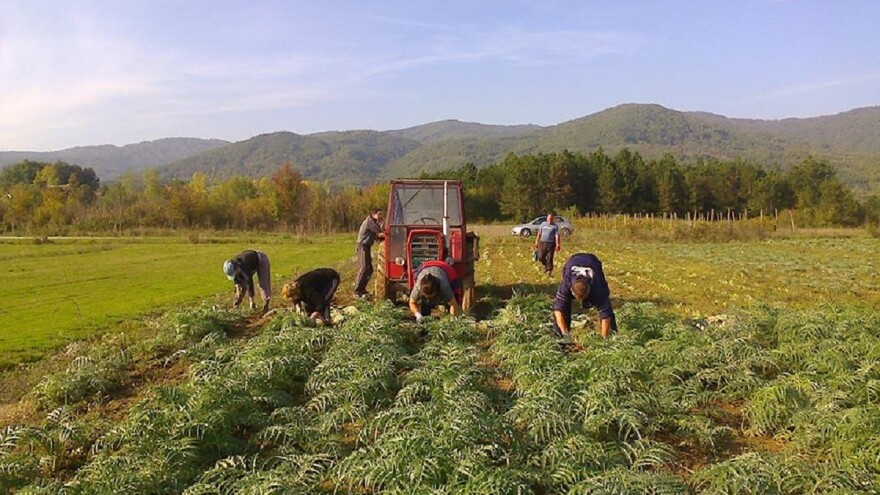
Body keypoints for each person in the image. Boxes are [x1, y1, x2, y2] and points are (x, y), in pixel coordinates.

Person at [552, 252, 618, 344]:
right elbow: (558, 311)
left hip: (593, 261)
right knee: (564, 307)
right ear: (571, 290)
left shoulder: (597, 288)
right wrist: (566, 334)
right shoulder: (566, 284)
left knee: (606, 306)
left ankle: (612, 339)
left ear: (589, 290)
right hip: (573, 260)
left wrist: (603, 341)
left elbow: (605, 316)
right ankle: (561, 341)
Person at [354, 208, 383, 298]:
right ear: (373, 214)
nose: (380, 216)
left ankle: (362, 289)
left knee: (369, 269)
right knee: (364, 267)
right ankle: (357, 291)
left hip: (367, 246)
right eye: (379, 214)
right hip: (363, 246)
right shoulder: (370, 222)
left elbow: (376, 235)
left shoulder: (373, 222)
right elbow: (379, 232)